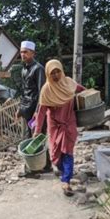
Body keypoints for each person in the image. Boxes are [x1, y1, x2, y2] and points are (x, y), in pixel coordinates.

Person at [32, 59, 85, 196]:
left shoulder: (69, 83)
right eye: (52, 73)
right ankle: (64, 171)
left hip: (69, 122)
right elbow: (42, 112)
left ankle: (66, 180)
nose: (55, 75)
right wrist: (37, 131)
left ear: (61, 71)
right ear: (48, 75)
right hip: (54, 125)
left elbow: (83, 91)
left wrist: (94, 97)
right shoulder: (46, 90)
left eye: (57, 72)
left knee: (68, 151)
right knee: (55, 155)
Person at [15, 40, 45, 139]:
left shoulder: (38, 69)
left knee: (38, 137)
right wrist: (20, 108)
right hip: (26, 109)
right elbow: (24, 91)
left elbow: (42, 92)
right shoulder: (23, 69)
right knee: (27, 137)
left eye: (26, 52)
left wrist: (38, 111)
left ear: (33, 53)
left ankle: (44, 155)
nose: (23, 54)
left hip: (35, 109)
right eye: (21, 52)